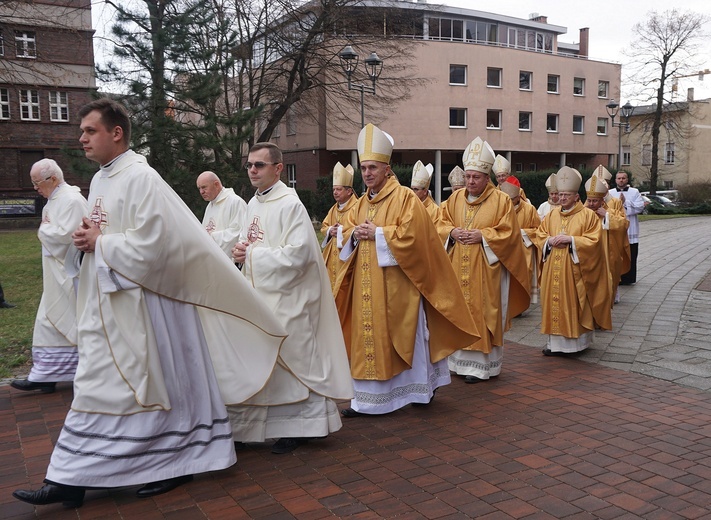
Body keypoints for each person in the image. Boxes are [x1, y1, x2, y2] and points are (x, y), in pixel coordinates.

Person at [13, 98, 289, 508]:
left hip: (150, 307)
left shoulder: (141, 178)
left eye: (90, 131)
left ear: (116, 133)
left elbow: (158, 244)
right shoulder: (105, 178)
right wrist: (87, 239)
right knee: (98, 387)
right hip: (113, 305)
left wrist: (101, 243)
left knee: (144, 387)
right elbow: (106, 230)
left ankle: (174, 460)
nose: (81, 138)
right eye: (82, 131)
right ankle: (70, 478)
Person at [334, 123, 479, 416]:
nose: (367, 174)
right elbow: (347, 231)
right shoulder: (361, 202)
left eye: (373, 167)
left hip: (399, 285)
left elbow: (416, 238)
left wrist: (377, 233)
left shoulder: (405, 198)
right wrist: (352, 234)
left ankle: (416, 391)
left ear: (387, 169)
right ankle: (365, 400)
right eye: (363, 168)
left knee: (405, 337)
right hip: (366, 283)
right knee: (367, 338)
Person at [231, 142, 353, 453]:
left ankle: (303, 426)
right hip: (261, 296)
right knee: (262, 363)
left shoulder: (291, 205)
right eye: (250, 165)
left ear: (278, 168)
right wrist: (240, 254)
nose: (253, 171)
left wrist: (253, 255)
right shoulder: (252, 204)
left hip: (290, 298)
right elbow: (247, 243)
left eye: (260, 165)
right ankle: (256, 427)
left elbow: (298, 256)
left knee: (294, 362)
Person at [440, 138, 531, 383]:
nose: (470, 182)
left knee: (484, 312)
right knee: (459, 311)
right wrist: (451, 233)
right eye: (468, 177)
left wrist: (483, 235)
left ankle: (481, 367)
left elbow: (510, 234)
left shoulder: (501, 200)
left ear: (486, 176)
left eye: (476, 177)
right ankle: (458, 362)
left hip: (487, 268)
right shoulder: (454, 199)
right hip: (458, 266)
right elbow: (439, 223)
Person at [11, 159, 88, 394]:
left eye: (37, 182)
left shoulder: (72, 200)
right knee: (48, 320)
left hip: (70, 274)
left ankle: (70, 372)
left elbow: (68, 236)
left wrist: (43, 231)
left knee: (62, 319)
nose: (35, 187)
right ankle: (46, 374)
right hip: (54, 273)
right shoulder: (53, 201)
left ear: (53, 179)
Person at [532, 166, 612, 356]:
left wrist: (572, 240)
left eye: (566, 195)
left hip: (575, 269)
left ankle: (575, 345)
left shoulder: (588, 216)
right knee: (552, 302)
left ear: (577, 196)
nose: (561, 198)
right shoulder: (551, 215)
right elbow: (540, 234)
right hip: (553, 267)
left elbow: (595, 241)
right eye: (560, 195)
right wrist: (548, 241)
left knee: (574, 303)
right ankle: (555, 344)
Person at [583, 171, 630, 307]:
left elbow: (624, 223)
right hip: (590, 251)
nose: (591, 203)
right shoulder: (585, 207)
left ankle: (606, 304)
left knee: (609, 277)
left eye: (594, 200)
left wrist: (607, 216)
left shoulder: (614, 204)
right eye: (590, 200)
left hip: (609, 248)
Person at [499, 175, 541, 305]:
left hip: (524, 250)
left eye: (511, 200)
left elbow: (539, 230)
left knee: (522, 277)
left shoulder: (529, 209)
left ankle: (520, 303)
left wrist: (521, 233)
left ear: (518, 196)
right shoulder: (500, 208)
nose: (509, 203)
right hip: (504, 249)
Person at [320, 162, 358, 290]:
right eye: (334, 190)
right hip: (332, 259)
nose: (335, 193)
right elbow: (324, 227)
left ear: (349, 191)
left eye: (338, 189)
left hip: (347, 260)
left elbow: (358, 230)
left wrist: (340, 231)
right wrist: (331, 230)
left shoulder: (357, 207)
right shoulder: (333, 209)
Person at [196, 170, 247, 258]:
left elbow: (238, 233)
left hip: (228, 261)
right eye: (199, 188)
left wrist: (210, 238)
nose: (201, 192)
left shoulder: (235, 202)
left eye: (204, 187)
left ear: (216, 184)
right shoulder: (210, 205)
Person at [608, 170, 645, 285]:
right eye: (619, 178)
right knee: (616, 255)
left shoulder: (635, 192)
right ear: (615, 180)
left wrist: (625, 203)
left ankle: (629, 278)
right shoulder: (610, 193)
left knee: (631, 255)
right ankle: (616, 278)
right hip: (616, 229)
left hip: (631, 229)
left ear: (627, 179)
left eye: (623, 178)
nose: (621, 180)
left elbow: (640, 207)